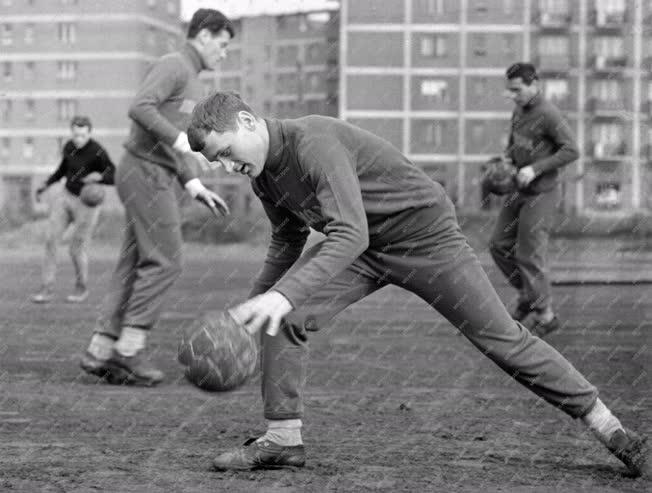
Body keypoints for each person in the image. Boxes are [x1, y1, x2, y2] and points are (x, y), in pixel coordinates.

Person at [185, 92, 648, 477]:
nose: (227, 167)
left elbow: (348, 232)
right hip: (363, 249)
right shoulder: (264, 176)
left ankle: (610, 429)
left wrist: (282, 293)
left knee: (502, 339)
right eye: (216, 162)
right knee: (282, 317)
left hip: (426, 239)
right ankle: (283, 441)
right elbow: (288, 239)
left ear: (247, 121)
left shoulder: (314, 143)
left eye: (226, 152)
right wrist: (253, 306)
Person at [79, 9, 233, 386]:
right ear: (204, 36)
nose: (224, 53)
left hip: (155, 172)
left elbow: (172, 145)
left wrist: (193, 184)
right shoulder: (175, 64)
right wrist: (180, 140)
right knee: (166, 260)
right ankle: (129, 350)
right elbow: (140, 107)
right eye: (223, 44)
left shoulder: (192, 81)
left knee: (135, 263)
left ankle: (101, 350)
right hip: (144, 172)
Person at [490, 63, 579, 337]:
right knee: (498, 245)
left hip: (542, 192)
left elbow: (572, 150)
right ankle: (529, 296)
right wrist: (506, 158)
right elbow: (514, 143)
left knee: (529, 253)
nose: (513, 95)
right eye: (510, 90)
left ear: (534, 84)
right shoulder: (519, 110)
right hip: (518, 187)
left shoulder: (550, 114)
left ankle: (546, 315)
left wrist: (536, 168)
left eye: (517, 90)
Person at [32, 116, 115, 304]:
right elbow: (62, 170)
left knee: (76, 249)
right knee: (51, 240)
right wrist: (46, 184)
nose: (78, 139)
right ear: (72, 132)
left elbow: (114, 175)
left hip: (87, 203)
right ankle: (46, 288)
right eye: (76, 135)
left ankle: (81, 288)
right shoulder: (69, 146)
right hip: (66, 197)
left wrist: (97, 179)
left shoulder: (97, 151)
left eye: (82, 135)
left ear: (89, 133)